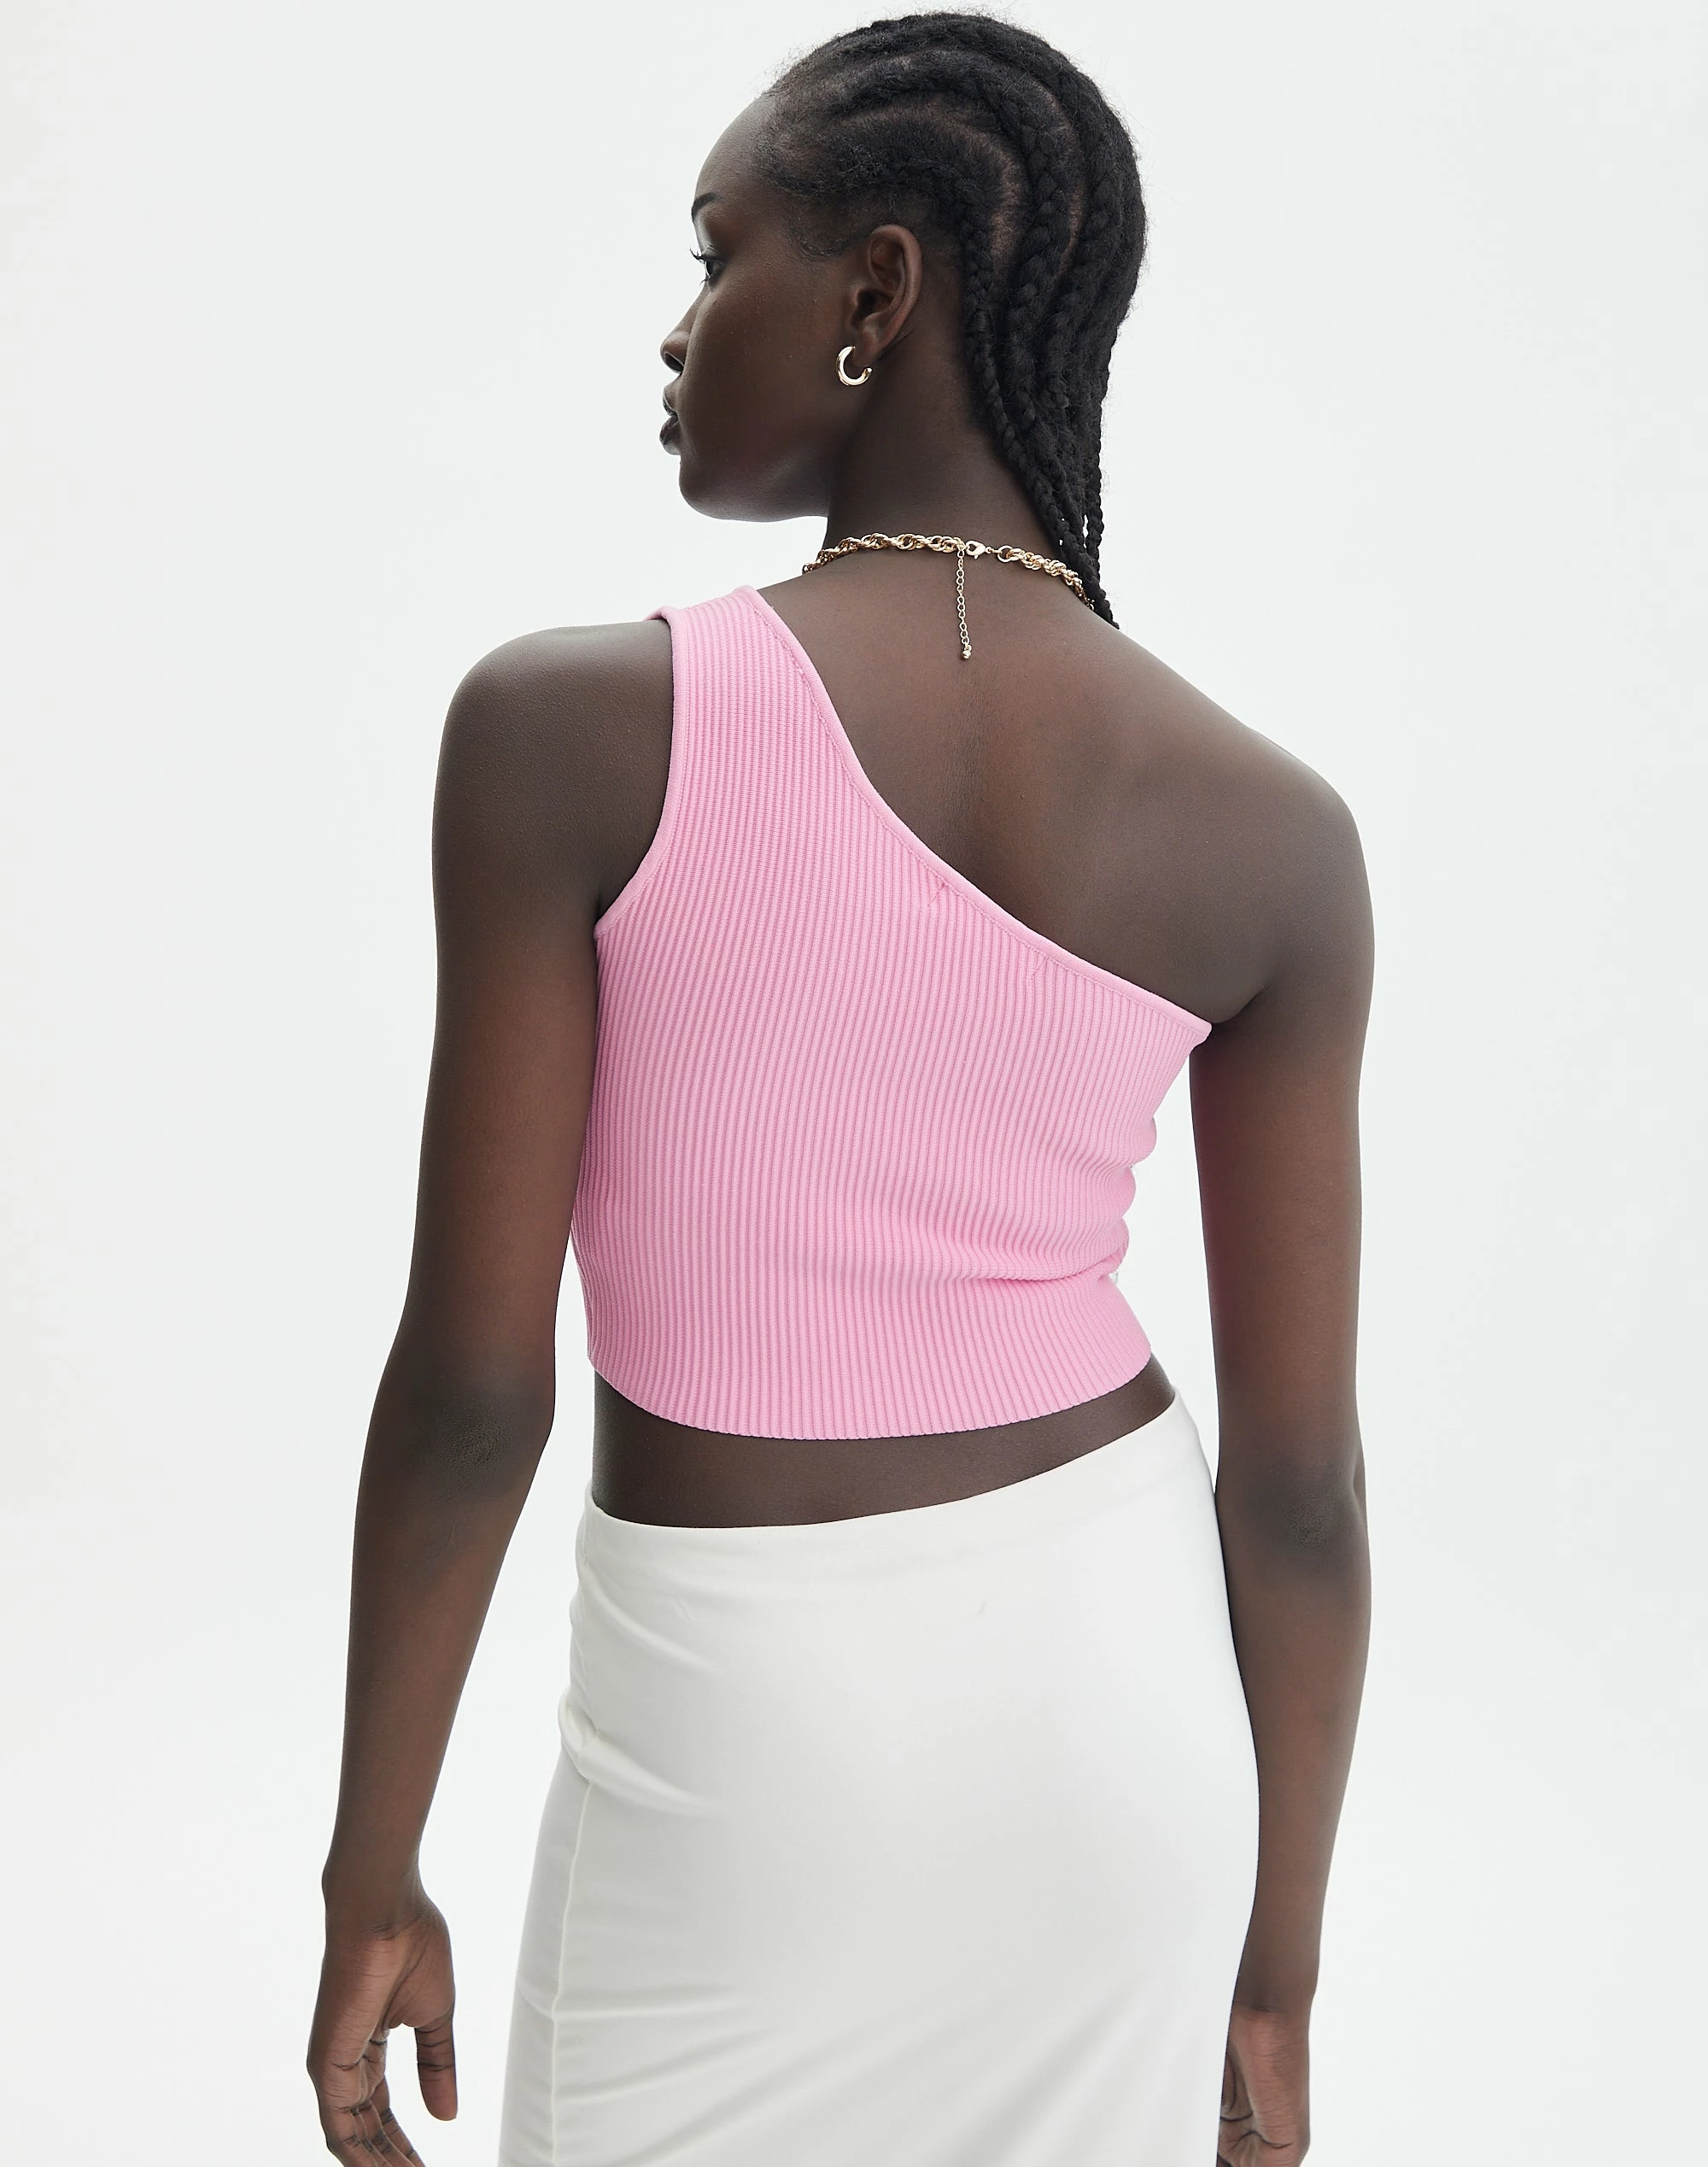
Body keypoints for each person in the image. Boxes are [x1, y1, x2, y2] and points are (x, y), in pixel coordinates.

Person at [306, 15, 1372, 2166]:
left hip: (739, 1739)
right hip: (1123, 1725)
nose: (680, 324)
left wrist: (372, 1863)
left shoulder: (567, 733)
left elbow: (474, 1389)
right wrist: (1273, 1961)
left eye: (720, 256)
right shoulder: (1276, 828)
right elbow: (1299, 1493)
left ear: (876, 290)